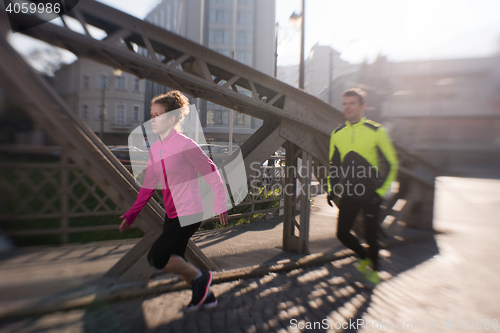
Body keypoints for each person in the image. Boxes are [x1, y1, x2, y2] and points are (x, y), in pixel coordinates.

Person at [119, 90, 228, 311]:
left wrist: (219, 203)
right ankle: (206, 297)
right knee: (175, 259)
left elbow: (211, 171)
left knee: (157, 257)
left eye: (157, 115)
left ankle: (202, 276)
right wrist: (132, 213)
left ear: (171, 118)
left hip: (190, 212)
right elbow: (148, 187)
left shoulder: (185, 144)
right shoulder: (156, 149)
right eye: (151, 115)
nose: (152, 119)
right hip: (171, 214)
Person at [327, 88, 398, 284]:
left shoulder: (377, 131)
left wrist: (381, 192)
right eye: (344, 103)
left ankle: (373, 272)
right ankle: (364, 256)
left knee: (370, 235)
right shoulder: (337, 134)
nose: (347, 107)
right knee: (342, 234)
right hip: (350, 192)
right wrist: (331, 189)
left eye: (352, 103)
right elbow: (334, 165)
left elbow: (392, 164)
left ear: (362, 107)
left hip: (371, 194)